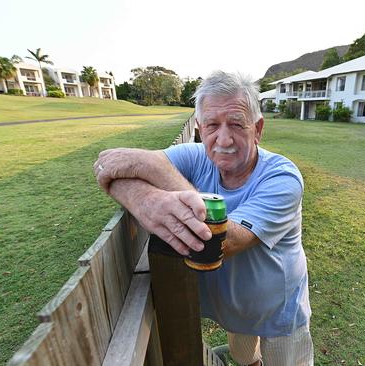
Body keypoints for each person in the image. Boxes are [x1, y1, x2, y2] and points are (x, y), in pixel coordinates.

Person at [93, 71, 313, 366]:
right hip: (234, 313)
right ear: (199, 128)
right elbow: (110, 162)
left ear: (257, 129)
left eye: (236, 124)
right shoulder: (196, 157)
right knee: (246, 358)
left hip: (277, 313)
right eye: (212, 125)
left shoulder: (283, 178)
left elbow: (223, 241)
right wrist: (148, 201)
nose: (223, 139)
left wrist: (157, 177)